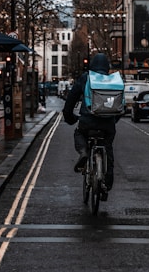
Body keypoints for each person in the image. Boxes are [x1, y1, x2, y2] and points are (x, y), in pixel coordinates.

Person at [63, 53, 120, 192]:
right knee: (108, 147)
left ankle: (83, 152)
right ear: (107, 67)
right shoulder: (113, 80)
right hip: (107, 124)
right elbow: (120, 106)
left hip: (87, 121)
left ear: (92, 65)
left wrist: (69, 117)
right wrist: (112, 119)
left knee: (79, 133)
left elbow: (71, 99)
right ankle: (108, 179)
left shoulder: (86, 78)